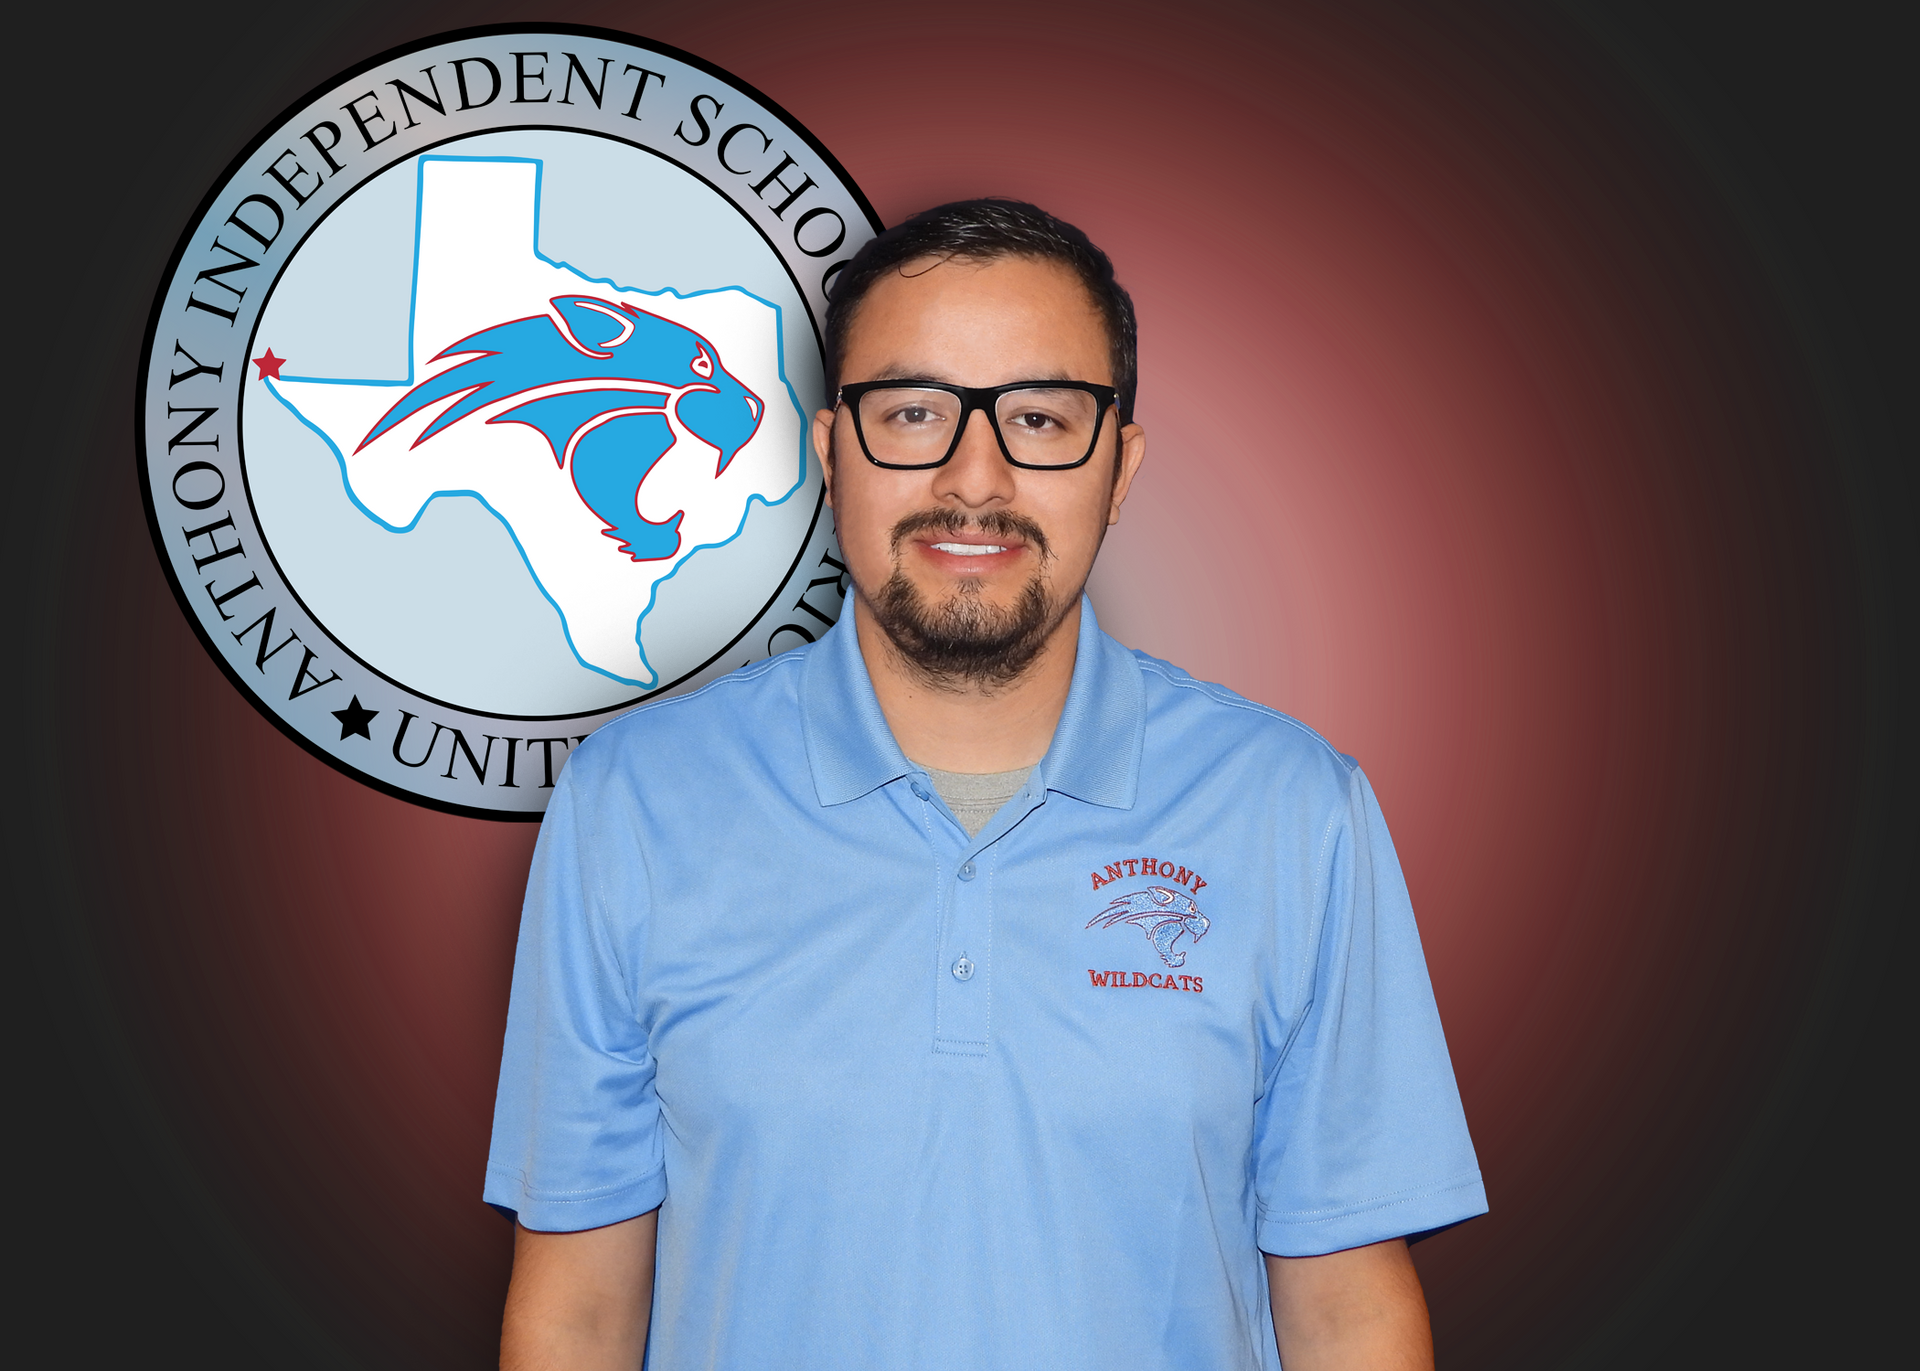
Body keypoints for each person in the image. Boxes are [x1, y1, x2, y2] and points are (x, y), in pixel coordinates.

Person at [486, 199, 1485, 1370]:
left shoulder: (1293, 811)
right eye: (913, 412)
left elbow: (1349, 1314)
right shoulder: (633, 805)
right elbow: (578, 1314)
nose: (976, 477)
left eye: (1041, 418)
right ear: (831, 455)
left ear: (1120, 466)